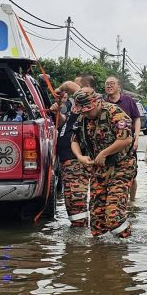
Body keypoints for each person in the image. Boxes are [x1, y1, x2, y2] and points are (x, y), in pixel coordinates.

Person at [70, 87, 135, 239]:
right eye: (82, 111)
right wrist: (80, 157)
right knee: (97, 220)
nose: (84, 113)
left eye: (87, 110)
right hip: (99, 171)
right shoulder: (83, 117)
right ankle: (100, 255)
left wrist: (104, 153)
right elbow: (74, 140)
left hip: (121, 168)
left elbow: (126, 139)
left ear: (97, 103)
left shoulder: (114, 113)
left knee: (113, 215)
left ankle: (126, 245)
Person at [52, 74, 95, 228]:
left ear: (86, 89)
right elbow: (67, 126)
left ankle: (80, 238)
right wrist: (58, 113)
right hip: (68, 161)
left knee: (76, 201)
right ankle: (78, 236)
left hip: (76, 162)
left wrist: (58, 90)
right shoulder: (78, 107)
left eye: (79, 87)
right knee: (71, 201)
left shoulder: (87, 102)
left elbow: (69, 84)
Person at [103, 76, 141, 201]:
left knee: (132, 175)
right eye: (107, 84)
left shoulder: (128, 100)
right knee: (108, 173)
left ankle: (132, 201)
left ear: (119, 86)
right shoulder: (103, 103)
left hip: (127, 144)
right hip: (109, 145)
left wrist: (136, 139)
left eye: (112, 83)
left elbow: (136, 118)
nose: (109, 86)